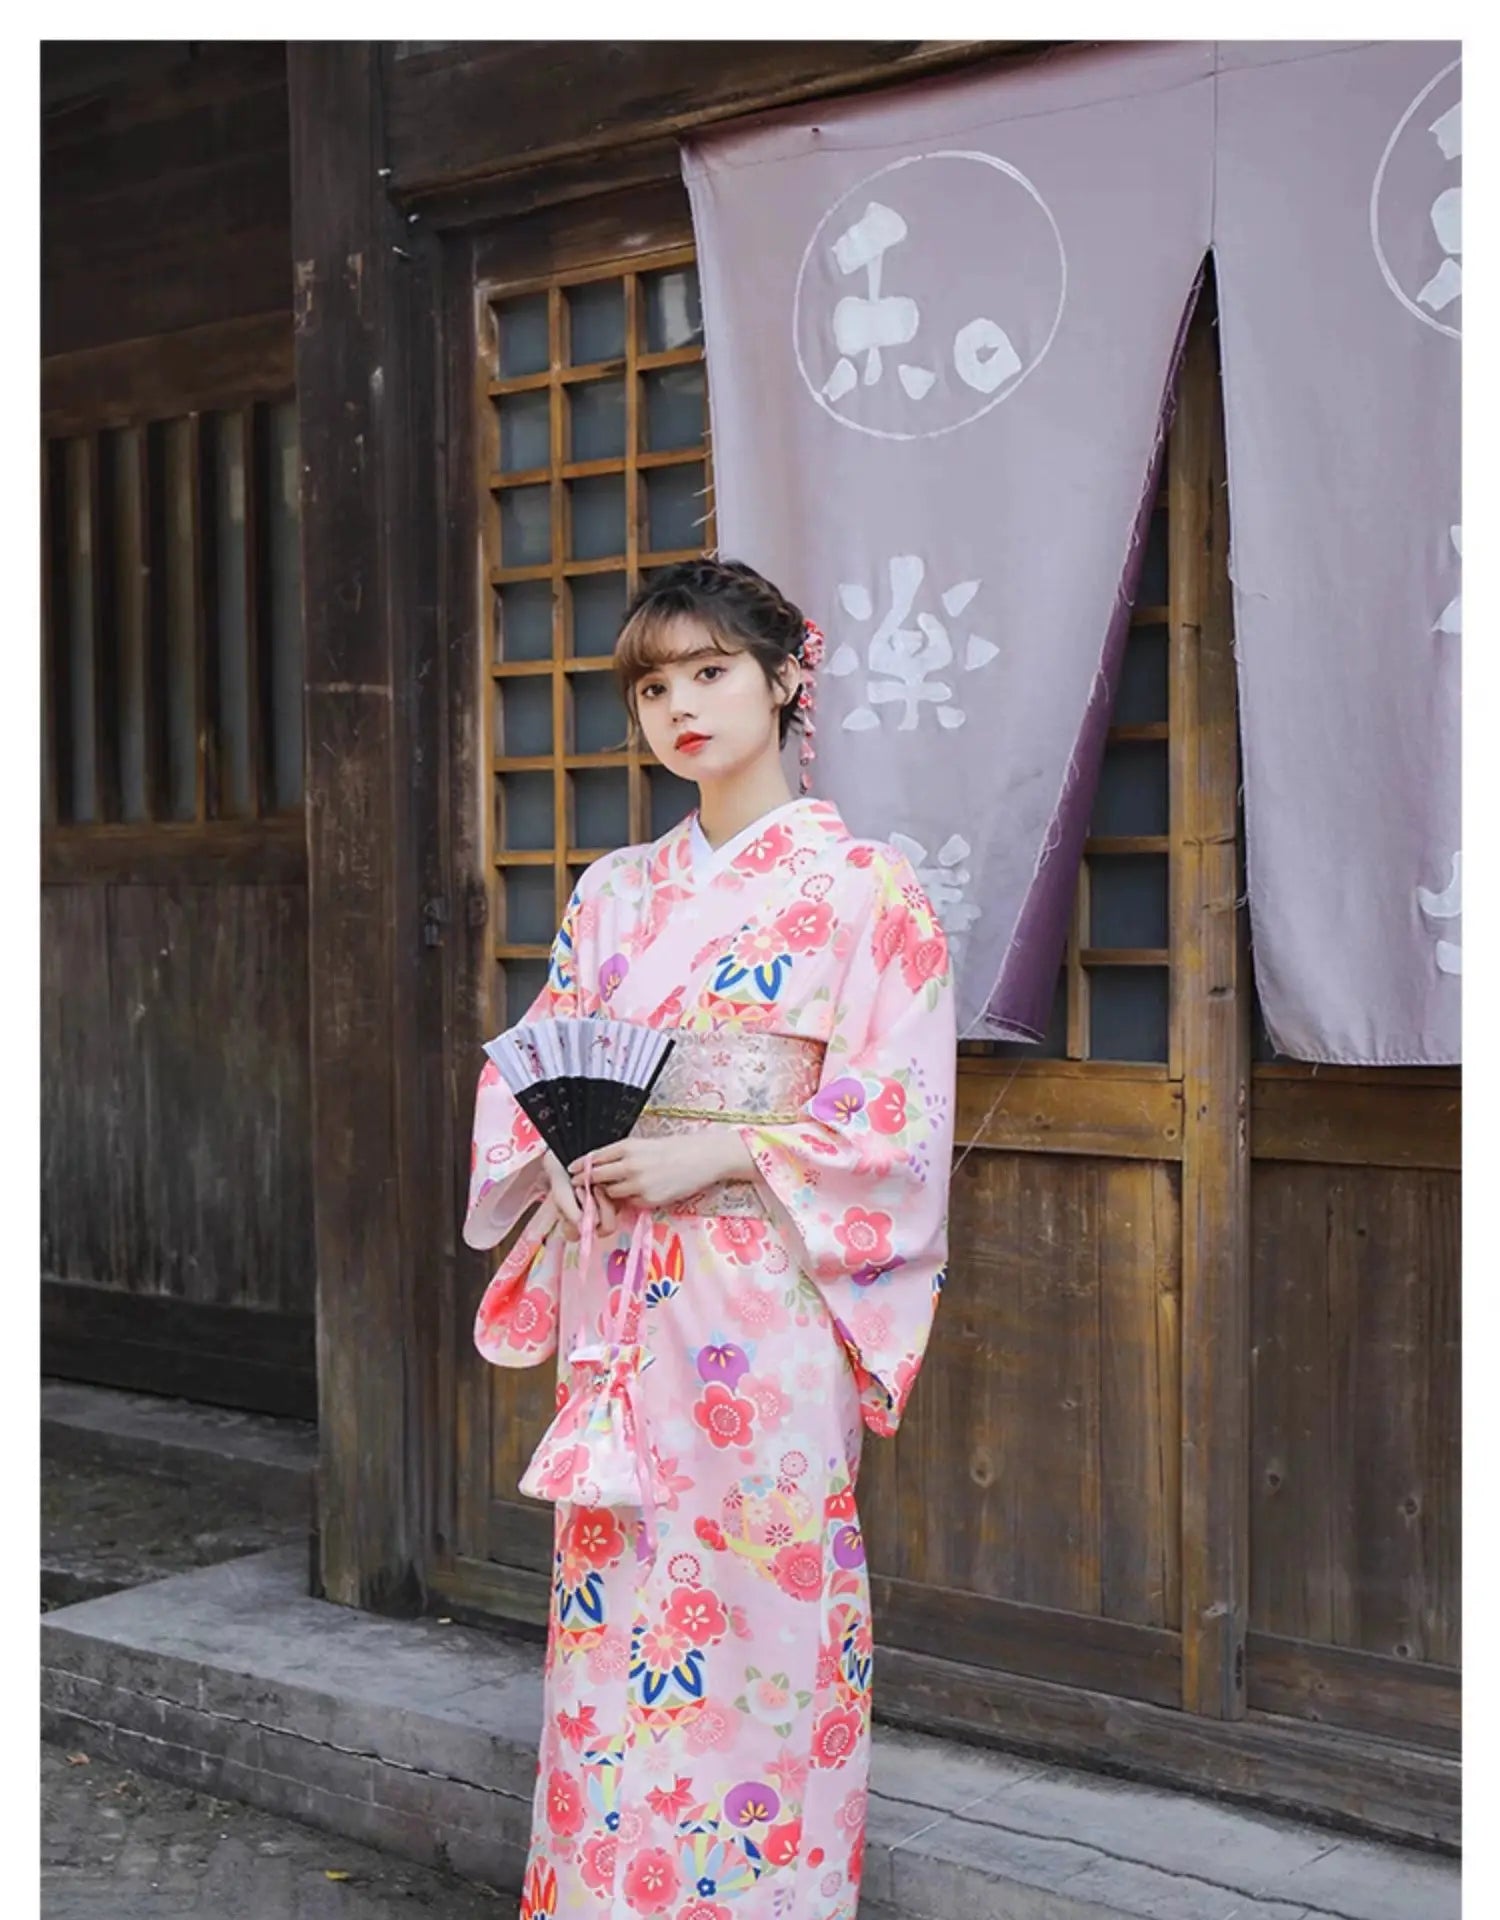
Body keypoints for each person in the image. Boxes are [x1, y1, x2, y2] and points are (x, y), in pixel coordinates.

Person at [463, 556, 957, 1920]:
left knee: (766, 1624)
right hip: (622, 1301)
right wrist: (558, 1166)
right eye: (654, 684)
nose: (679, 704)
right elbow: (538, 1072)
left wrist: (725, 1148)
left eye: (711, 671)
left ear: (789, 675)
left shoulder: (869, 892)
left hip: (766, 1302)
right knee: (616, 1622)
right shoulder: (614, 892)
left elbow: (897, 1122)